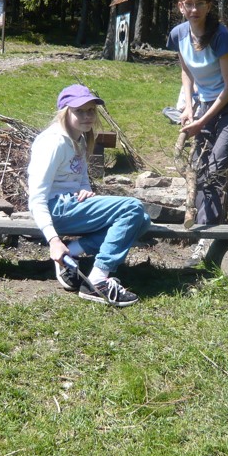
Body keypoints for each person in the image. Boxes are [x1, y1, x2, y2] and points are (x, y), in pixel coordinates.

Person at [27, 84, 151, 306]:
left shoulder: (80, 138)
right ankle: (98, 279)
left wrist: (85, 188)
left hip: (72, 204)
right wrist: (54, 240)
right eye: (80, 111)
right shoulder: (53, 142)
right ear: (65, 111)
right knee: (132, 208)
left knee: (142, 220)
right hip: (56, 209)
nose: (87, 116)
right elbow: (36, 197)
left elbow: (81, 177)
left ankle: (71, 252)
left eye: (91, 110)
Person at [166, 0, 228, 266]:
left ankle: (208, 242)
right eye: (188, 4)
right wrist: (189, 109)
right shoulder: (179, 34)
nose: (194, 9)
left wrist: (202, 120)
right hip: (203, 104)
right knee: (199, 167)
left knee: (218, 170)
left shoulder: (220, 36)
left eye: (200, 4)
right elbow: (187, 73)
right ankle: (204, 230)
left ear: (209, 6)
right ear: (181, 6)